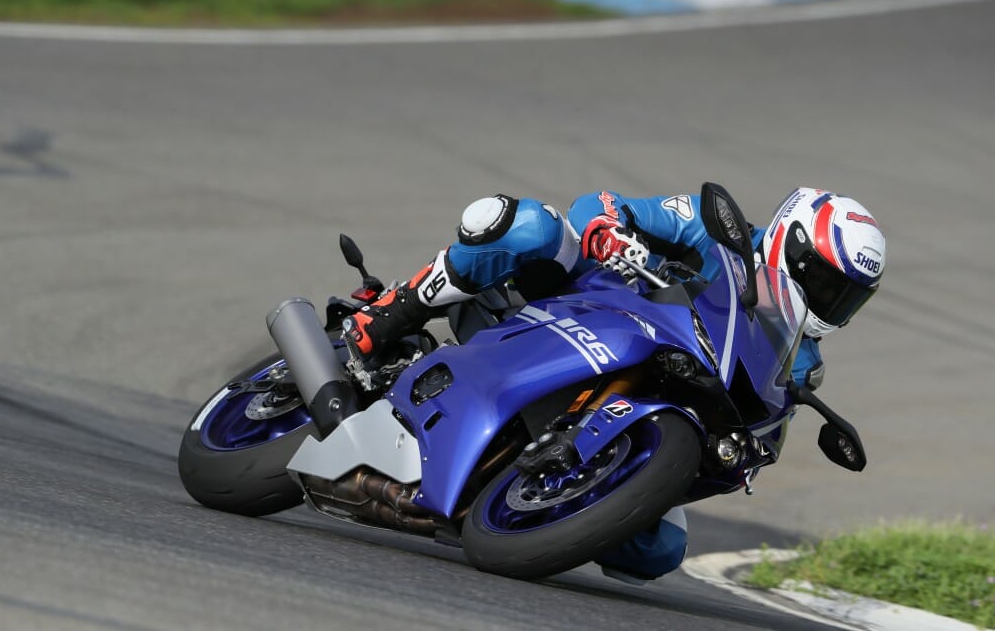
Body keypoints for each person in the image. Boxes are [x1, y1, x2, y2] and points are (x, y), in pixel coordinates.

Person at [342, 186, 886, 584]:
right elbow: (603, 204)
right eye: (824, 281)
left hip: (658, 392)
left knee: (661, 548)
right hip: (589, 300)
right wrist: (609, 229)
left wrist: (747, 450)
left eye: (846, 297)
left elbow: (766, 422)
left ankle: (521, 502)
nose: (830, 301)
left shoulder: (801, 359)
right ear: (792, 244)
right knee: (528, 225)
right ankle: (389, 313)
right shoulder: (718, 233)